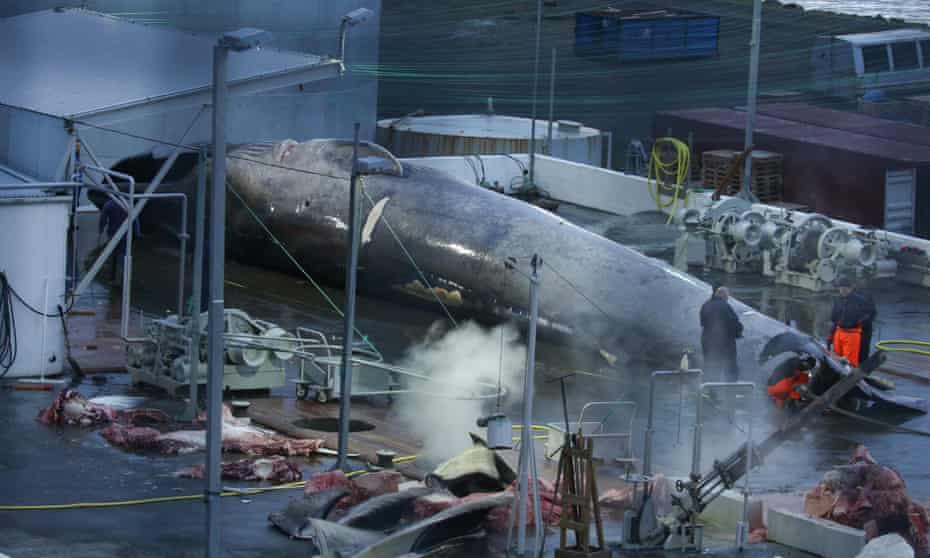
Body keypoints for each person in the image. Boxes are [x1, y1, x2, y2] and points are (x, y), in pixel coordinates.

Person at [829, 277, 876, 367]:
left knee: (858, 357)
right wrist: (831, 335)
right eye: (841, 288)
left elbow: (871, 313)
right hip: (840, 332)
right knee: (837, 357)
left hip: (857, 332)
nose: (843, 290)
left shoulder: (862, 299)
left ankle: (860, 373)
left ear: (852, 288)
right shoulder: (837, 300)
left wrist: (859, 322)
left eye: (846, 288)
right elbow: (834, 318)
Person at [700, 286, 743, 381]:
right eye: (727, 296)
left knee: (710, 365)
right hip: (724, 342)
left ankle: (708, 390)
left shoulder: (706, 305)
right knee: (730, 367)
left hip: (707, 340)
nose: (727, 298)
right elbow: (734, 323)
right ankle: (730, 389)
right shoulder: (725, 306)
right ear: (722, 295)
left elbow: (702, 322)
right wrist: (739, 332)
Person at [856, 281, 877, 365]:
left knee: (862, 351)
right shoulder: (853, 295)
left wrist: (861, 321)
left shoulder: (865, 296)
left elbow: (872, 312)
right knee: (862, 351)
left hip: (864, 329)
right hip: (858, 329)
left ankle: (861, 368)